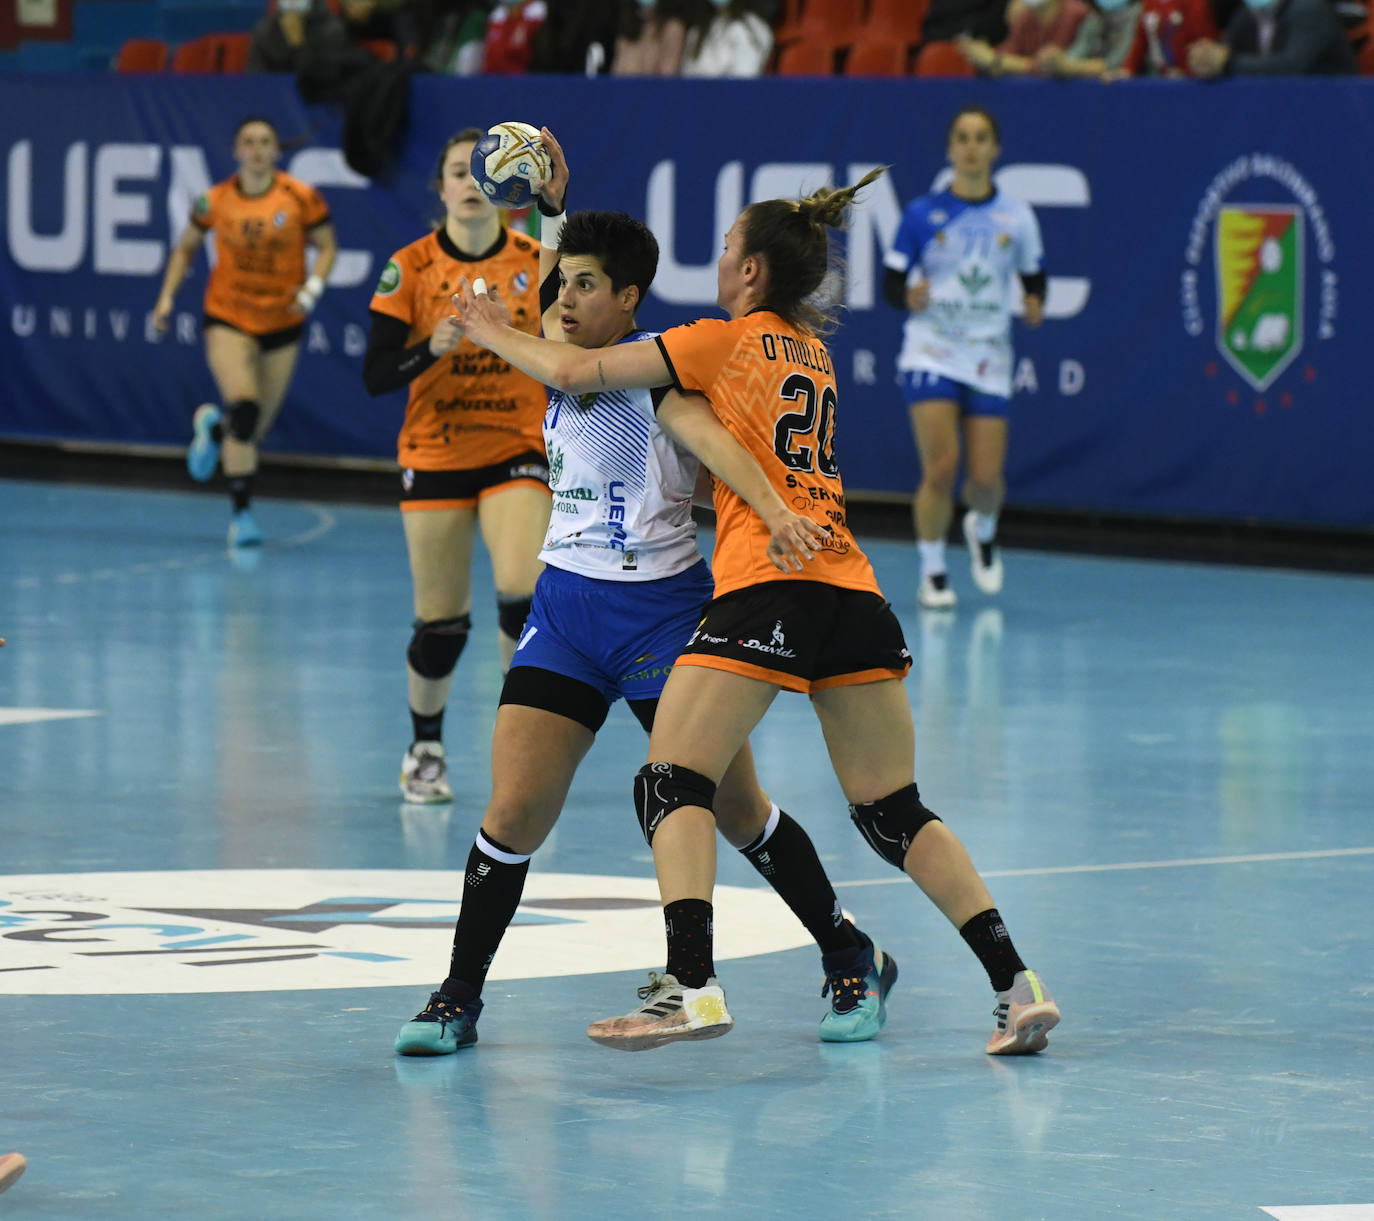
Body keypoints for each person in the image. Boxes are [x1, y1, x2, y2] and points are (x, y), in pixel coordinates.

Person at [450, 170, 1060, 1057]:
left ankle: (692, 985)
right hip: (848, 584)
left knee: (670, 782)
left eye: (730, 247)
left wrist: (488, 328)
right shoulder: (812, 355)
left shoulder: (713, 343)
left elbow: (583, 368)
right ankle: (1016, 981)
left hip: (762, 584)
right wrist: (551, 217)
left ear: (753, 273)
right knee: (894, 810)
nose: (720, 257)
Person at [395, 194, 903, 1056]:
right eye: (562, 285)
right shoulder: (568, 342)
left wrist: (775, 509)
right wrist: (556, 204)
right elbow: (566, 321)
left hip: (660, 617)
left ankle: (850, 950)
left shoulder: (659, 377)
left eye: (586, 287)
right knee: (513, 810)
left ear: (628, 299)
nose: (563, 298)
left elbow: (712, 451)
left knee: (737, 808)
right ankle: (457, 995)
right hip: (564, 612)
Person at [362, 128, 551, 805]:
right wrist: (433, 348)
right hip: (436, 449)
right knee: (442, 622)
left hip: (515, 447)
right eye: (456, 172)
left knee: (521, 590)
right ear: (440, 188)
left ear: (507, 186)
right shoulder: (409, 267)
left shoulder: (534, 260)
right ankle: (425, 747)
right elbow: (376, 374)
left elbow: (572, 335)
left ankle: (522, 745)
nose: (471, 183)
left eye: (482, 171)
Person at [882, 106, 1044, 611]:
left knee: (987, 480)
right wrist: (908, 296)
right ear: (950, 149)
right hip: (932, 348)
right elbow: (892, 282)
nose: (971, 147)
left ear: (994, 149)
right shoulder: (921, 215)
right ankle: (933, 572)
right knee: (941, 467)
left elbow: (1034, 278)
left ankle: (983, 526)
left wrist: (1035, 303)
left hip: (989, 356)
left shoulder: (1016, 217)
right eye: (962, 138)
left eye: (980, 138)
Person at [153, 116, 338, 548]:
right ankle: (242, 517)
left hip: (283, 321)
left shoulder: (300, 198)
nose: (257, 149)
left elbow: (328, 246)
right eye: (249, 142)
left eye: (265, 142)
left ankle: (214, 430)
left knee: (250, 432)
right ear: (236, 151)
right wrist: (166, 297)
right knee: (246, 406)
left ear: (277, 150)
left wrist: (311, 289)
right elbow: (185, 248)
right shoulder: (214, 201)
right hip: (229, 316)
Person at [1186, 0, 1357, 76]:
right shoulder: (1247, 14)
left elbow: (1289, 67)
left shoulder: (1309, 9)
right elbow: (1224, 51)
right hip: (1283, 108)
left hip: (1331, 108)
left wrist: (1227, 63)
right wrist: (1205, 58)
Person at [957, 0, 1092, 74]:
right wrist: (981, 53)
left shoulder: (1076, 13)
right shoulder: (1026, 16)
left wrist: (995, 61)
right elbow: (1007, 53)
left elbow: (1051, 66)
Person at [1035, 0, 1141, 78]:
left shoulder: (1139, 15)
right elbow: (1075, 54)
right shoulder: (1094, 19)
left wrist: (1071, 67)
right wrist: (1056, 60)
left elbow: (1116, 64)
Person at [246, 0, 351, 73]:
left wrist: (298, 45)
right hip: (274, 96)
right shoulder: (264, 29)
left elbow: (330, 78)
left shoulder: (333, 30)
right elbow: (255, 77)